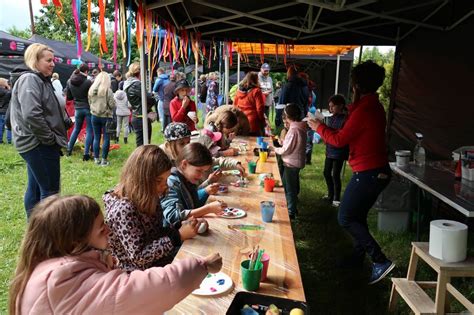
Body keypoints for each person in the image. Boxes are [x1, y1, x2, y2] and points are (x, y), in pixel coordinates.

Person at [9, 194, 222, 315]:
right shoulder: (62, 279)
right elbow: (149, 288)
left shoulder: (52, 263)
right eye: (101, 228)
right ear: (75, 241)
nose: (109, 231)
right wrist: (201, 266)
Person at [308, 60, 394, 285]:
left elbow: (339, 139)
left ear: (356, 84)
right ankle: (358, 257)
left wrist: (318, 127)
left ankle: (380, 260)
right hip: (375, 170)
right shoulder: (370, 105)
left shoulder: (365, 109)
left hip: (369, 172)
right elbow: (350, 124)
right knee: (357, 216)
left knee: (345, 216)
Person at [104, 145, 202, 271]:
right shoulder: (123, 210)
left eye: (166, 180)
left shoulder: (150, 196)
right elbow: (139, 257)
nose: (164, 186)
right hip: (136, 276)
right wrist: (177, 236)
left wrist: (182, 227)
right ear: (140, 179)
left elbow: (156, 232)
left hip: (160, 262)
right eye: (158, 181)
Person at [9, 43, 71, 218]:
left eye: (53, 60)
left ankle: (35, 230)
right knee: (50, 192)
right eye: (48, 60)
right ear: (34, 60)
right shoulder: (31, 79)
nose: (53, 64)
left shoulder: (41, 80)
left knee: (36, 188)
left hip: (37, 143)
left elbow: (45, 110)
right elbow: (32, 114)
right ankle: (48, 236)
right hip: (38, 143)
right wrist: (49, 138)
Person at [161, 143, 228, 228]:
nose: (201, 176)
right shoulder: (171, 183)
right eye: (199, 171)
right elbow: (173, 216)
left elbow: (193, 205)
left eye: (204, 171)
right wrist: (208, 209)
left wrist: (205, 192)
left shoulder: (188, 180)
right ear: (184, 164)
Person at [272, 104, 307, 220]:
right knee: (293, 185)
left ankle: (291, 212)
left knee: (289, 188)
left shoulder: (293, 130)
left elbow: (286, 150)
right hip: (296, 162)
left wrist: (274, 149)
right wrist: (282, 142)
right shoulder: (300, 127)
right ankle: (293, 206)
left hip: (290, 163)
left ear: (287, 117)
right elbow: (292, 144)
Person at [322, 94, 349, 207]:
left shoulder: (346, 119)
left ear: (341, 106)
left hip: (339, 151)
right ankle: (330, 194)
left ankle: (336, 198)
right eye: (330, 106)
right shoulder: (332, 117)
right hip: (330, 150)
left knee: (335, 175)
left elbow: (339, 134)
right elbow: (330, 131)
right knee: (326, 172)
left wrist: (327, 131)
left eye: (333, 106)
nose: (330, 109)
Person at [124, 62, 155, 147]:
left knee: (141, 144)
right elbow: (148, 98)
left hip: (137, 115)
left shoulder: (129, 83)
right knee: (144, 145)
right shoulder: (136, 84)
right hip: (141, 116)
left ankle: (140, 159)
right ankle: (141, 160)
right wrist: (153, 97)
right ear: (139, 72)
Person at [66, 64, 94, 160]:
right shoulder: (88, 82)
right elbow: (91, 96)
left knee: (76, 129)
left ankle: (69, 149)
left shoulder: (69, 81)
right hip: (87, 108)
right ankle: (86, 154)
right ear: (86, 71)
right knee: (90, 130)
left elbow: (69, 97)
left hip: (77, 108)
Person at [88, 72, 115, 166]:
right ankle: (104, 159)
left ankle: (96, 158)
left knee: (96, 137)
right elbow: (112, 104)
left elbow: (89, 102)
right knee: (106, 138)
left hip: (94, 115)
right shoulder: (108, 90)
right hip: (106, 116)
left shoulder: (91, 89)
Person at [233, 72, 265, 136]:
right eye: (257, 79)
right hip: (253, 122)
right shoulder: (256, 91)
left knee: (242, 142)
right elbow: (260, 109)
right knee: (254, 142)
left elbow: (234, 106)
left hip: (240, 121)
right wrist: (262, 121)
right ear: (255, 80)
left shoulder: (238, 91)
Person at [0, 78, 12, 144]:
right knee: (8, 126)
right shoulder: (6, 92)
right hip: (6, 111)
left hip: (1, 111)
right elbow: (11, 93)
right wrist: (8, 86)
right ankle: (9, 140)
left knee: (0, 127)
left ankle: (0, 140)